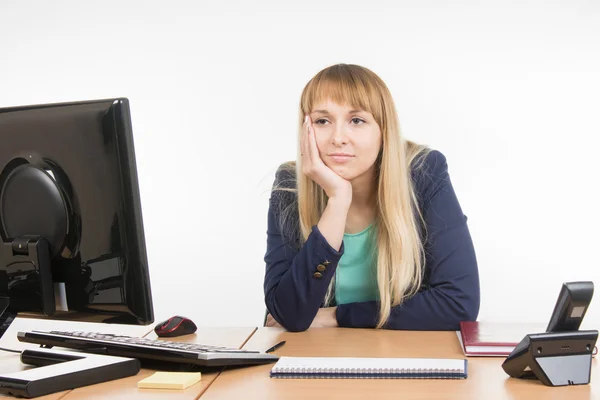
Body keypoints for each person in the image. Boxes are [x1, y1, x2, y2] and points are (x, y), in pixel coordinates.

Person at [263, 64, 479, 332]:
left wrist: (337, 316)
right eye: (322, 121)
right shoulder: (290, 185)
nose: (338, 138)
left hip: (402, 355)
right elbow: (289, 315)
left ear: (383, 130)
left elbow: (458, 305)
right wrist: (338, 200)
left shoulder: (424, 171)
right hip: (313, 357)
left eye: (357, 120)